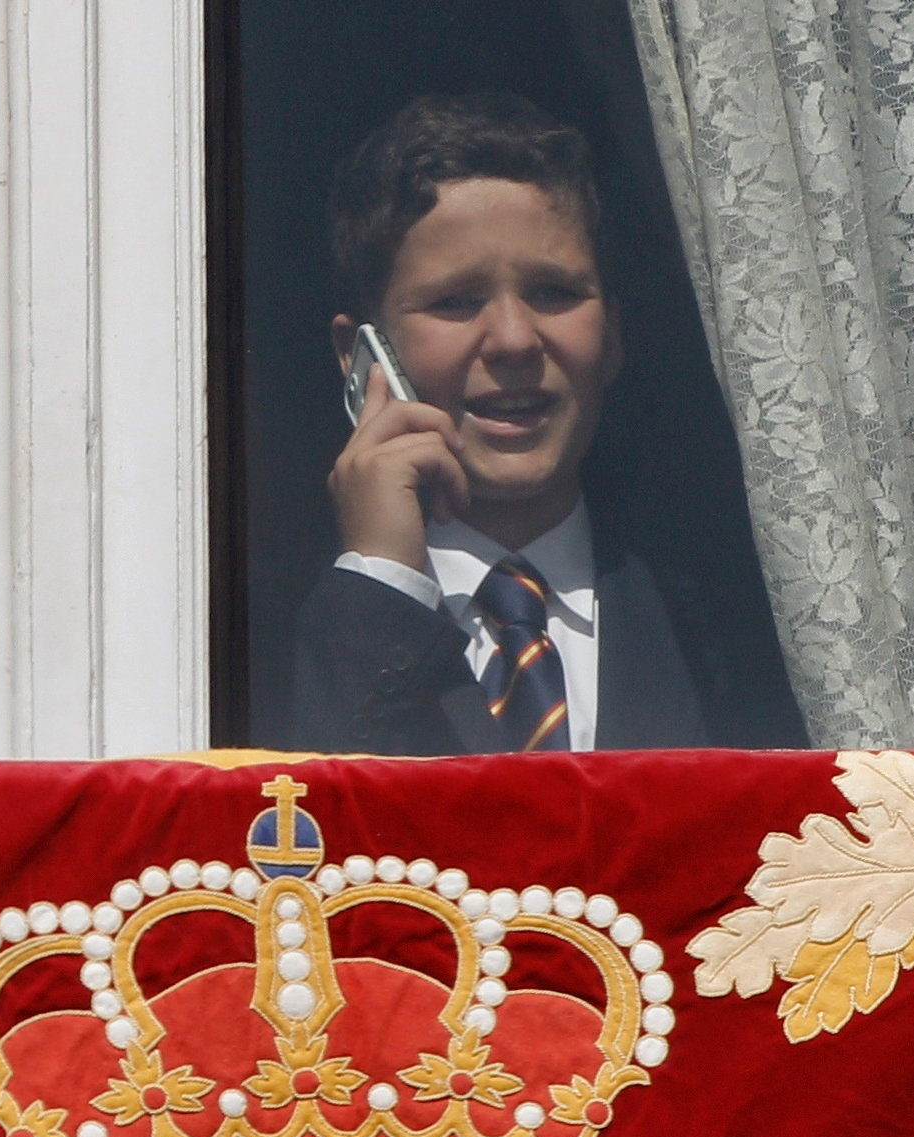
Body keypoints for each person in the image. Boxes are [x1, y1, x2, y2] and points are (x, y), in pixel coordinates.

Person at [290, 93, 804, 755]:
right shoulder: (290, 628)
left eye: (553, 293)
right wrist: (383, 579)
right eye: (455, 301)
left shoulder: (728, 622)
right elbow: (319, 829)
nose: (512, 340)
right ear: (358, 355)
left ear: (612, 335)